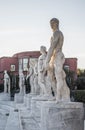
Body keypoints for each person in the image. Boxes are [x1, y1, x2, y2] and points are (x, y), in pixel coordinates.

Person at [44, 18, 70, 102]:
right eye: (50, 23)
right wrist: (50, 59)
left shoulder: (57, 33)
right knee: (51, 77)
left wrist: (47, 60)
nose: (51, 25)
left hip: (58, 55)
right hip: (53, 57)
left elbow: (52, 47)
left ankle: (59, 97)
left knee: (59, 77)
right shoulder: (54, 34)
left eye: (53, 23)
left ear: (57, 23)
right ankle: (56, 94)